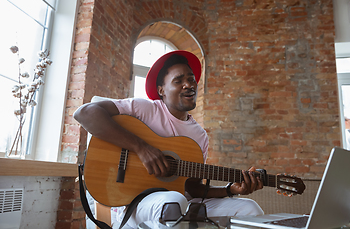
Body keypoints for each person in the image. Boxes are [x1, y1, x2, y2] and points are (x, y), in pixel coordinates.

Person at [74, 50, 264, 228]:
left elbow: (192, 188)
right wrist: (141, 148)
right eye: (179, 80)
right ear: (161, 90)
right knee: (174, 201)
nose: (189, 84)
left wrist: (230, 190)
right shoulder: (145, 109)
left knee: (250, 208)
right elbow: (85, 113)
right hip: (131, 203)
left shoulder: (199, 135)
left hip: (178, 203)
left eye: (191, 79)